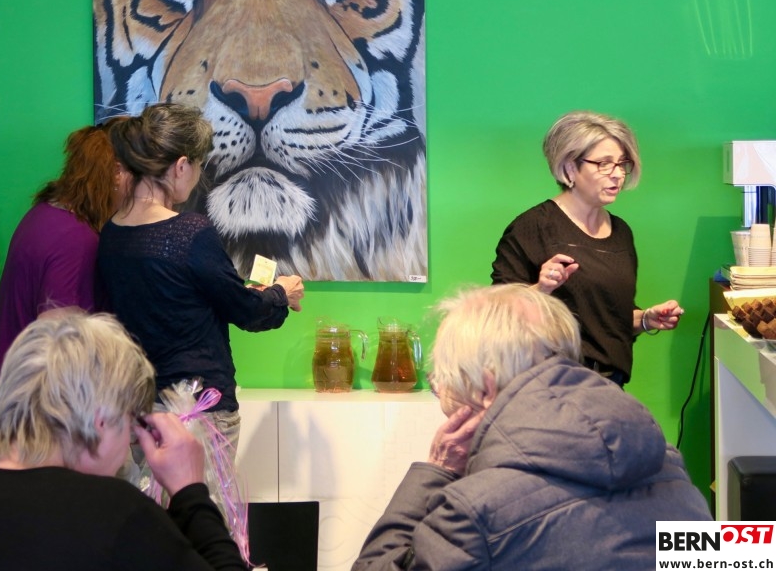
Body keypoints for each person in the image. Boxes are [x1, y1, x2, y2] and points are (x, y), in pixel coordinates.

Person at [351, 284, 711, 571]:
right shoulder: (666, 461)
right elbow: (720, 554)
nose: (441, 395)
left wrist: (437, 470)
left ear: (484, 389)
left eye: (442, 382)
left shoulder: (473, 512)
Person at [0, 312, 247, 571]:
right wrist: (190, 493)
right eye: (130, 426)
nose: (126, 450)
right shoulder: (116, 514)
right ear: (102, 420)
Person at [97, 103, 305, 446]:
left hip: (141, 409)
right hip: (198, 412)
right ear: (181, 166)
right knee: (201, 487)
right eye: (198, 164)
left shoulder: (112, 232)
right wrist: (282, 292)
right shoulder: (189, 233)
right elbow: (247, 312)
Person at [490, 110, 682, 385]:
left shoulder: (621, 232)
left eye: (621, 164)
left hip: (609, 386)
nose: (617, 175)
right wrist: (542, 289)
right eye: (604, 164)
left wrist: (646, 319)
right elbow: (498, 319)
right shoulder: (531, 228)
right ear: (570, 168)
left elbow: (608, 322)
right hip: (552, 386)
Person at [0, 124, 126, 453]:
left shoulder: (44, 215)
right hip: (31, 402)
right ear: (116, 174)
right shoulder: (76, 238)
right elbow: (58, 334)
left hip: (10, 387)